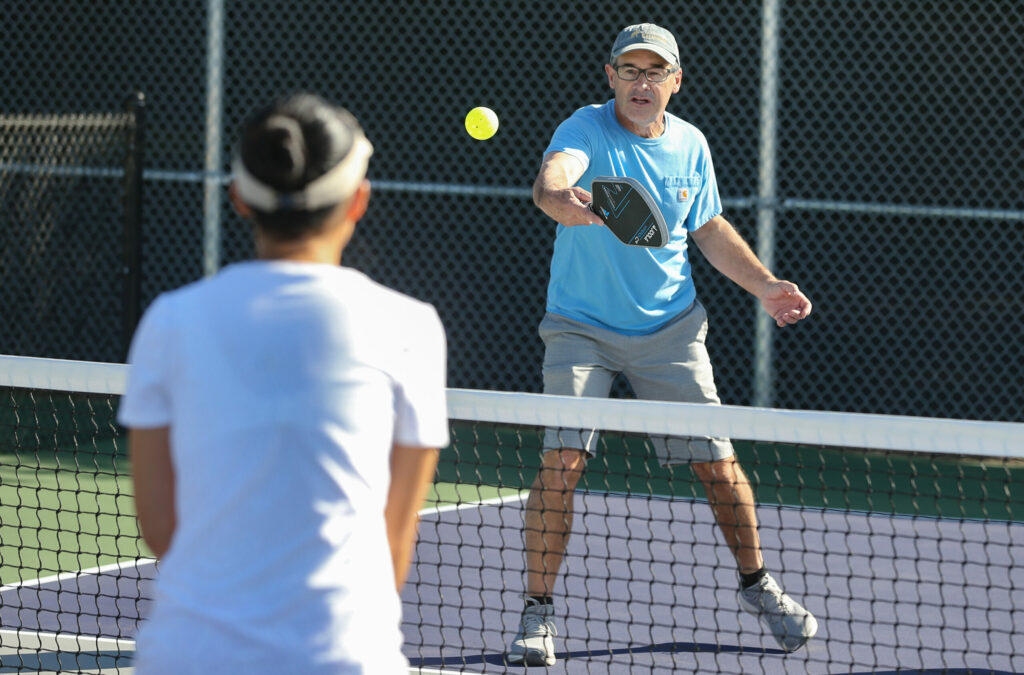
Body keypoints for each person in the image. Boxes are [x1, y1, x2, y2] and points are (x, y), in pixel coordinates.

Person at [507, 24, 817, 666]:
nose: (641, 83)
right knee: (561, 461)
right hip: (580, 328)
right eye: (630, 70)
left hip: (671, 330)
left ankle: (758, 587)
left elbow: (706, 226)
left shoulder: (691, 144)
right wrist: (556, 196)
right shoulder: (585, 129)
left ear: (675, 81)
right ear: (610, 75)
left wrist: (765, 285)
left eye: (655, 72)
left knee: (718, 465)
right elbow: (553, 178)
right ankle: (537, 616)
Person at [119, 93, 448, 674]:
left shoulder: (169, 320)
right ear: (359, 201)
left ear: (239, 199)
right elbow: (394, 543)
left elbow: (159, 524)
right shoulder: (410, 328)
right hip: (346, 658)